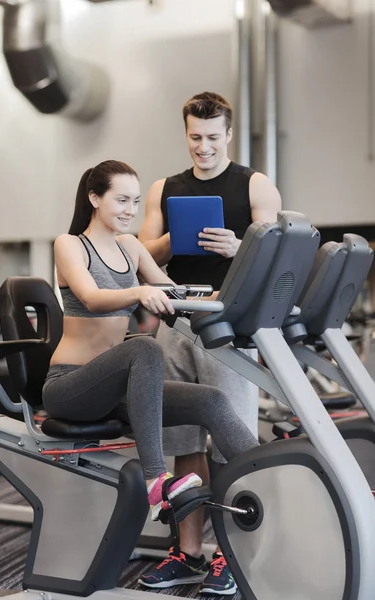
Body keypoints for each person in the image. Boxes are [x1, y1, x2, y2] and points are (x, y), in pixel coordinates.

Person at [42, 159, 259, 524]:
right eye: (121, 200)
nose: (131, 211)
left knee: (212, 400)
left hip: (122, 391)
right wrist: (139, 291)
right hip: (72, 386)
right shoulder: (70, 245)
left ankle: (271, 475)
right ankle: (156, 480)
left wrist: (235, 295)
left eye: (136, 202)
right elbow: (92, 297)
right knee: (144, 345)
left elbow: (176, 296)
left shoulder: (130, 247)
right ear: (95, 198)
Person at [138, 92, 282, 594]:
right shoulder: (165, 188)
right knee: (182, 443)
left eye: (213, 138)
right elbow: (142, 251)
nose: (203, 147)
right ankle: (189, 551)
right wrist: (174, 240)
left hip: (229, 323)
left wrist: (239, 246)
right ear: (186, 134)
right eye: (195, 138)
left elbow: (277, 257)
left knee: (231, 443)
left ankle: (232, 555)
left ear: (229, 134)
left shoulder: (255, 184)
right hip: (177, 320)